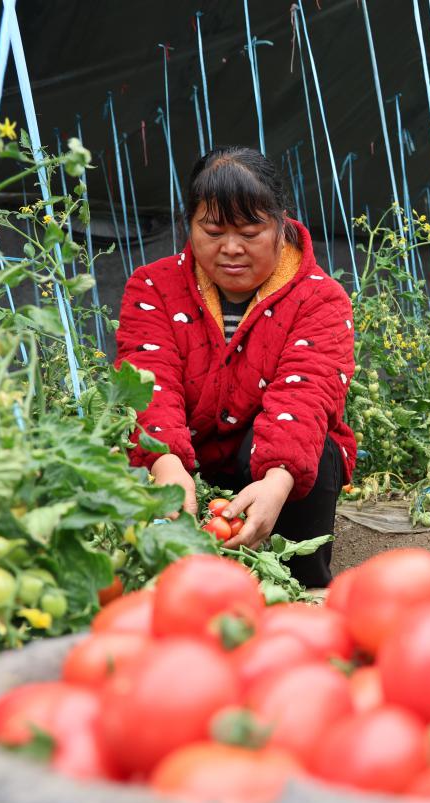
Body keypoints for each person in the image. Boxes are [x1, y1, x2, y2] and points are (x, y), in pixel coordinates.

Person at [115, 146, 356, 587]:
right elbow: (150, 382)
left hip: (274, 458)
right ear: (188, 224)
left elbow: (304, 394)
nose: (230, 249)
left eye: (249, 231)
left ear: (281, 224)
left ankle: (302, 583)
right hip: (184, 454)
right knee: (126, 459)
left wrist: (279, 481)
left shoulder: (321, 298)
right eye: (212, 230)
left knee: (314, 455)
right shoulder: (153, 287)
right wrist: (167, 467)